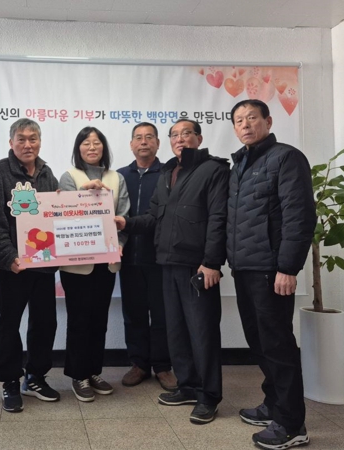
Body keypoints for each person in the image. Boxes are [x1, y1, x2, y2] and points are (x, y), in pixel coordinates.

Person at [116, 119, 228, 424]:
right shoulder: (168, 172)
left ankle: (209, 396)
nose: (180, 139)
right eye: (175, 134)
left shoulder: (213, 170)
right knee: (176, 330)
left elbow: (219, 218)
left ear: (198, 138)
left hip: (197, 266)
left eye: (186, 133)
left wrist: (212, 262)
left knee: (202, 332)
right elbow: (153, 216)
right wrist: (126, 223)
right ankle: (188, 386)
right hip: (167, 263)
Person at [227, 99, 315, 449]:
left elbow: (299, 216)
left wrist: (287, 268)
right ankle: (274, 404)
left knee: (277, 344)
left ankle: (292, 424)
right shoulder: (240, 164)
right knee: (259, 341)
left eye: (252, 117)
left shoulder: (286, 158)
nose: (245, 124)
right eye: (239, 120)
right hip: (244, 268)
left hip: (271, 270)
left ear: (268, 121)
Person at [0, 118, 60, 413]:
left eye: (33, 139)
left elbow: (54, 216)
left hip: (43, 265)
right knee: (10, 325)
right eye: (21, 139)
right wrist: (8, 256)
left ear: (40, 141)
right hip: (13, 267)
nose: (28, 145)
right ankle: (10, 381)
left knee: (45, 323)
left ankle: (35, 377)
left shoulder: (47, 173)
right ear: (11, 142)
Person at [58, 127, 130, 402]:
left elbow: (123, 215)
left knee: (99, 320)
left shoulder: (116, 178)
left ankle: (94, 371)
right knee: (79, 319)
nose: (91, 147)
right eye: (86, 143)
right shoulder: (69, 177)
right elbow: (64, 214)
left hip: (106, 262)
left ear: (103, 147)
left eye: (96, 142)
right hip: (77, 265)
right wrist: (83, 193)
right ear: (78, 148)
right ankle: (78, 375)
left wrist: (119, 245)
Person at [116, 122, 176, 391]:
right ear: (131, 144)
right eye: (138, 138)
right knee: (134, 314)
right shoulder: (119, 176)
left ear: (158, 143)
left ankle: (162, 366)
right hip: (128, 257)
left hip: (160, 258)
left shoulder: (169, 174)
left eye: (149, 137)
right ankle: (139, 364)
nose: (144, 142)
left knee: (162, 315)